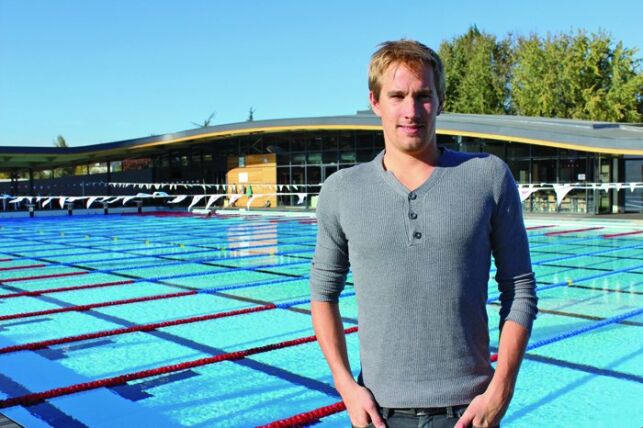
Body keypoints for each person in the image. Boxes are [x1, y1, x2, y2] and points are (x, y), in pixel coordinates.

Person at [309, 39, 537, 428]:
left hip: (469, 412)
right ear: (375, 102)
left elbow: (519, 288)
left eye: (423, 96)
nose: (411, 110)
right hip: (379, 414)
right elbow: (322, 294)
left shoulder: (487, 176)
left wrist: (501, 390)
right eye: (397, 96)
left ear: (441, 100)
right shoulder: (342, 189)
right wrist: (346, 386)